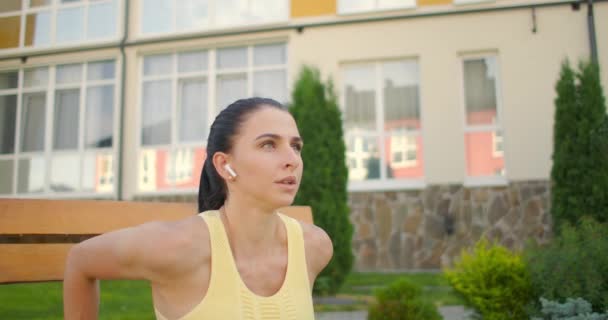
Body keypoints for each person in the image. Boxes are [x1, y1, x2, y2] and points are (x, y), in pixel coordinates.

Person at [63, 97, 334, 319]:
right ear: (224, 165)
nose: (292, 160)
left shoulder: (314, 246)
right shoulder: (178, 248)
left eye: (296, 147)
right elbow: (81, 260)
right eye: (268, 145)